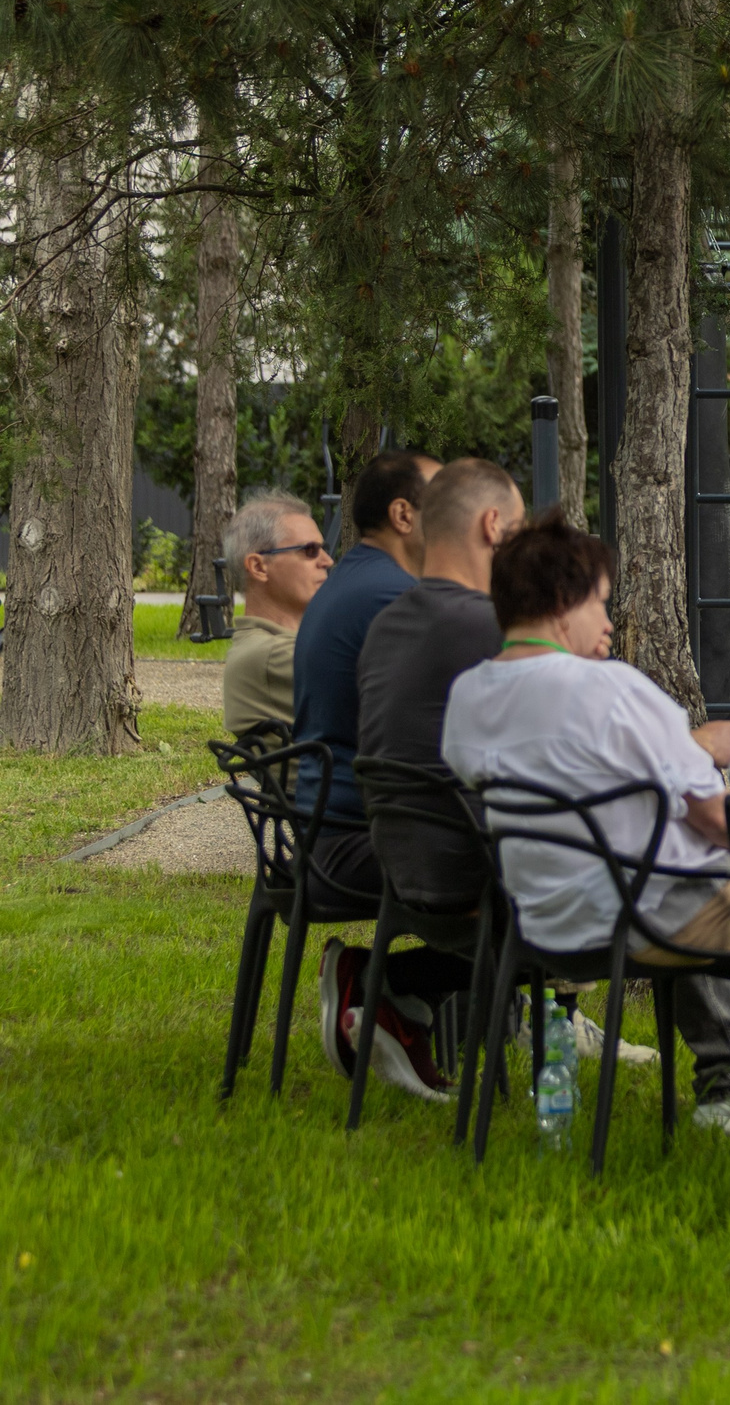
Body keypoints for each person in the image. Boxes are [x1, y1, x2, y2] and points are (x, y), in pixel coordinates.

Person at [442, 511, 730, 1169]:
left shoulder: (468, 694)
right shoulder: (610, 690)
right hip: (648, 915)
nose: (607, 624)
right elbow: (715, 818)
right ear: (558, 603)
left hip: (541, 917)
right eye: (599, 604)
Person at [309, 460, 521, 1099]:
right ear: (492, 526)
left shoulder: (378, 609)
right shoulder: (466, 619)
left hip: (393, 849)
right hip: (438, 859)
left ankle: (397, 990)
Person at [294, 449, 439, 846]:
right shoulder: (394, 598)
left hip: (326, 822)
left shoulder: (351, 580)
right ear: (403, 515)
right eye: (445, 501)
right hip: (358, 834)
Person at [219, 490, 333, 736]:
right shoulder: (272, 654)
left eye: (323, 548)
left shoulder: (279, 645)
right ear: (259, 566)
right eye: (310, 550)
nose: (327, 561)